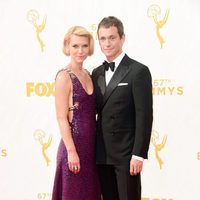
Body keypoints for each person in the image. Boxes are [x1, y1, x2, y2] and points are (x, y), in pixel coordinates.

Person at [92, 16, 153, 200]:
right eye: (103, 38)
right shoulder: (96, 72)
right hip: (102, 154)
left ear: (122, 38)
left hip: (126, 155)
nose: (107, 43)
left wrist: (138, 155)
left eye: (112, 37)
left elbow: (144, 116)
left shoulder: (138, 71)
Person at [52, 26, 101, 200]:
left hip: (91, 148)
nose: (80, 51)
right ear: (67, 46)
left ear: (90, 47)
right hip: (73, 147)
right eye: (75, 46)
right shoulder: (64, 77)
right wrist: (71, 151)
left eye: (84, 46)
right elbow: (61, 117)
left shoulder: (89, 74)